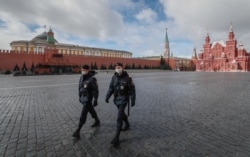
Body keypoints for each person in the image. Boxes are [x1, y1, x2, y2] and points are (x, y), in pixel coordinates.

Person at [105, 62, 136, 145]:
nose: (117, 69)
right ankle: (127, 124)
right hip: (116, 99)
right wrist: (107, 96)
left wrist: (133, 100)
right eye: (116, 67)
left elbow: (132, 90)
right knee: (121, 113)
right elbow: (111, 88)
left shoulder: (128, 78)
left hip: (124, 99)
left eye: (119, 67)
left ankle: (116, 137)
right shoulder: (114, 77)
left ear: (122, 67)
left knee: (119, 117)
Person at [72, 65, 100, 138]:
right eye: (82, 69)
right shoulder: (81, 77)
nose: (83, 71)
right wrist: (79, 96)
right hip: (83, 97)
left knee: (83, 113)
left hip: (89, 97)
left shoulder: (92, 79)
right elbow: (79, 87)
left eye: (84, 70)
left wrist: (96, 99)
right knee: (90, 109)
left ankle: (78, 130)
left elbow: (95, 91)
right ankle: (97, 120)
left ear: (88, 70)